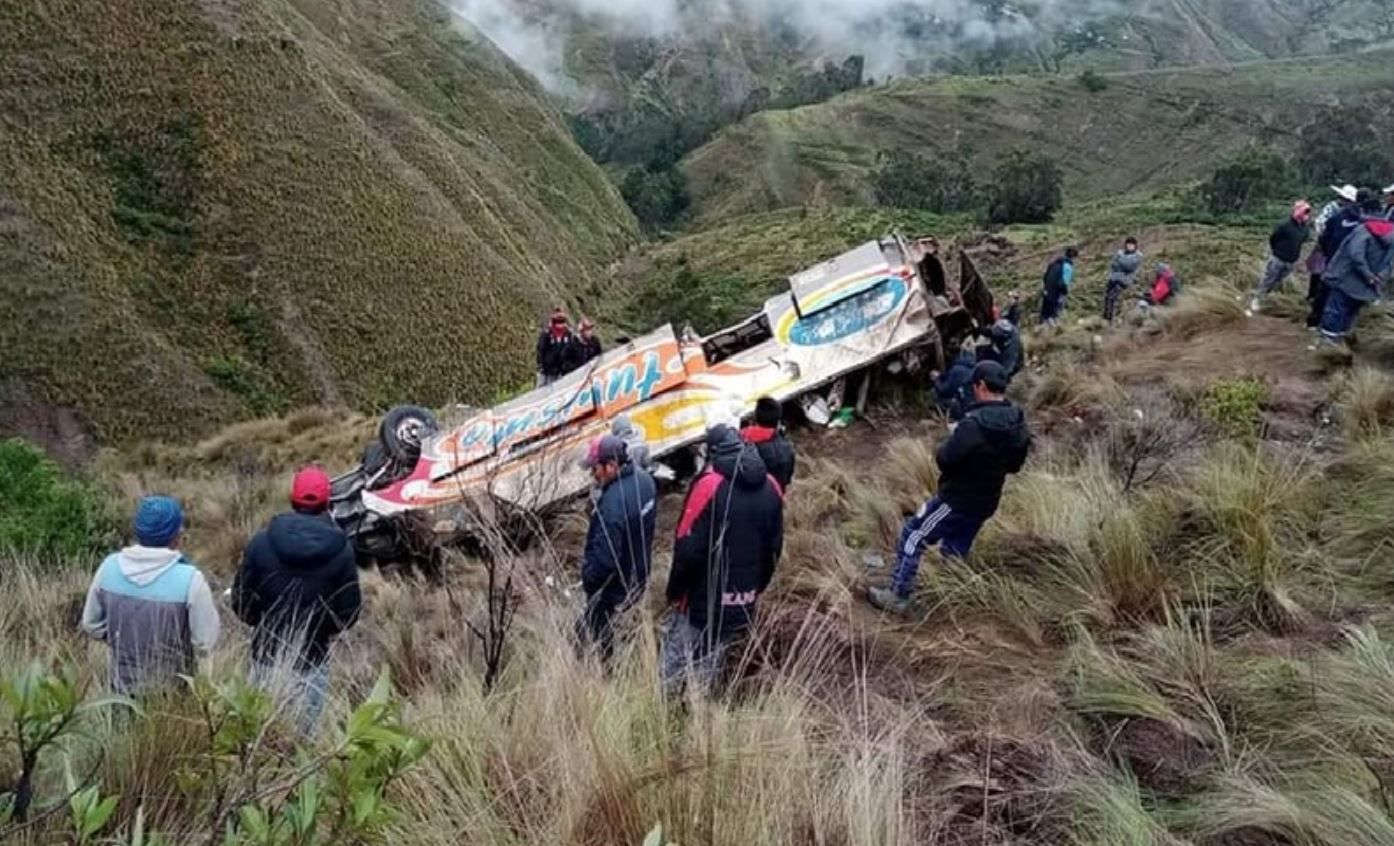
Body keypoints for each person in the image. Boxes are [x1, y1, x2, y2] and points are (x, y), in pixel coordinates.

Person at [868, 362, 1031, 615]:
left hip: (956, 499)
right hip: (986, 500)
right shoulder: (1018, 423)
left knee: (914, 534)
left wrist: (953, 438)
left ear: (981, 386)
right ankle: (952, 595)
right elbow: (1016, 466)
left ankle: (898, 594)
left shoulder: (973, 425)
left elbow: (945, 459)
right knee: (956, 547)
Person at [232, 467, 361, 734]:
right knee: (304, 745)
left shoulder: (260, 543)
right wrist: (320, 631)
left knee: (259, 740)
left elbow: (241, 603)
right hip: (312, 661)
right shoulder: (342, 551)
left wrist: (263, 622)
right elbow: (347, 614)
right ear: (327, 502)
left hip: (264, 658)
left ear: (293, 499)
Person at [662, 425, 783, 695]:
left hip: (700, 599)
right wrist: (753, 590)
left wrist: (675, 591)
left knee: (675, 659)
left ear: (712, 451)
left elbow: (687, 548)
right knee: (711, 658)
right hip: (742, 597)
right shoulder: (772, 486)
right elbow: (774, 549)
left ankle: (661, 714)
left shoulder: (709, 485)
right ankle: (696, 713)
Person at [81, 496, 220, 695]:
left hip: (119, 691)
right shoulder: (191, 579)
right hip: (172, 693)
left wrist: (121, 640)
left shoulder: (109, 567)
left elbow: (91, 624)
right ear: (176, 534)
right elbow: (205, 641)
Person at [577, 435, 657, 663]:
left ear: (611, 466)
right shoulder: (646, 482)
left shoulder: (612, 505)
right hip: (640, 574)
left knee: (592, 634)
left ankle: (605, 670)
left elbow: (604, 561)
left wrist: (588, 579)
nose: (592, 474)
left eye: (595, 468)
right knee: (622, 624)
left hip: (613, 589)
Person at [1315, 213, 1394, 348]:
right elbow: (1391, 264)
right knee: (1351, 312)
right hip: (1368, 286)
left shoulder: (1364, 229)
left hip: (1347, 279)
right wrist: (1378, 277)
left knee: (1335, 310)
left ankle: (1327, 345)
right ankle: (1341, 342)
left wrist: (1367, 274)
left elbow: (1355, 255)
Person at [1310, 189, 1373, 328]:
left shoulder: (1340, 216)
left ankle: (1316, 323)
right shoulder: (1369, 220)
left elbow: (1324, 237)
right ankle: (1339, 328)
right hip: (1353, 266)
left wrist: (1327, 253)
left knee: (1325, 291)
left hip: (1334, 261)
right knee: (1346, 298)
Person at [1248, 200, 1313, 315]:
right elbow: (1273, 238)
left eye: (1308, 212)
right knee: (1268, 280)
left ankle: (1266, 298)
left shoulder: (1305, 228)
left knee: (1277, 281)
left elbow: (1302, 240)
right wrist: (1277, 251)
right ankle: (1256, 299)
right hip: (1278, 258)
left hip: (1291, 261)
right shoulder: (1284, 225)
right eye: (1304, 211)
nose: (1306, 215)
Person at [740, 396, 796, 490]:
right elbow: (786, 479)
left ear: (755, 417)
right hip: (774, 497)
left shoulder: (738, 442)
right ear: (778, 422)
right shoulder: (787, 448)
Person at [932, 343, 977, 422]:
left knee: (935, 395)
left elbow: (944, 390)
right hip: (973, 407)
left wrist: (936, 379)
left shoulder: (957, 370)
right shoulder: (974, 367)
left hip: (963, 409)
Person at [1103, 237, 1144, 323]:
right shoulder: (1120, 253)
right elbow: (1113, 264)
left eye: (1131, 245)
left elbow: (1129, 266)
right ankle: (1105, 316)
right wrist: (1121, 263)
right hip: (1114, 278)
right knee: (1106, 297)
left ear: (1135, 246)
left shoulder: (1137, 255)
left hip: (1124, 281)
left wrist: (1120, 261)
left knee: (1112, 298)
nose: (1129, 246)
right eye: (1128, 244)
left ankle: (1109, 319)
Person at [536, 308, 575, 386]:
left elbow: (571, 351)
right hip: (547, 371)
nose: (560, 325)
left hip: (562, 371)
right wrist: (541, 366)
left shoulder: (568, 334)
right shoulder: (547, 334)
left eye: (562, 322)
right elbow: (540, 350)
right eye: (557, 322)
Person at [1040, 247, 1078, 326]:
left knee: (1045, 315)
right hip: (1055, 294)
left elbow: (1045, 277)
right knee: (1056, 313)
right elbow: (1063, 283)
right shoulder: (1068, 267)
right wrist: (1065, 292)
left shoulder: (1053, 263)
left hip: (1046, 291)